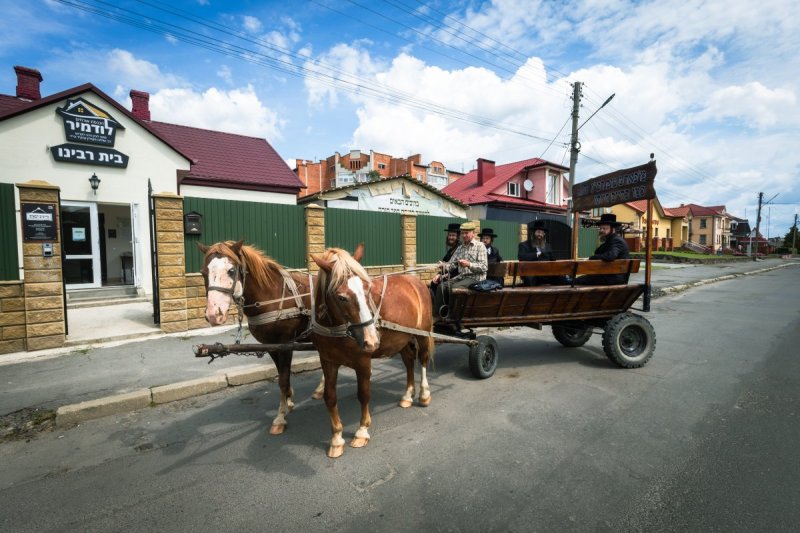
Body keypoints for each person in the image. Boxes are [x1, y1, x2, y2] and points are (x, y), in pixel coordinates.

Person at [432, 222, 488, 318]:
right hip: (462, 276)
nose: (464, 235)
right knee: (442, 286)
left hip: (476, 277)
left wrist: (469, 264)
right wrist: (443, 266)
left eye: (467, 233)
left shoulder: (480, 246)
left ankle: (451, 315)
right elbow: (451, 265)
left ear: (472, 233)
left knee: (453, 288)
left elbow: (484, 267)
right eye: (462, 233)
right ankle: (437, 315)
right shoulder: (460, 248)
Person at [574, 213, 631, 285]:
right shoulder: (610, 240)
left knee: (576, 281)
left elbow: (611, 255)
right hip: (608, 275)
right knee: (579, 280)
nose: (601, 230)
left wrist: (591, 258)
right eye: (600, 228)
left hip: (614, 278)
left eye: (604, 228)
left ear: (612, 229)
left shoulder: (617, 240)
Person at [517, 220, 556, 285]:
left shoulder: (548, 246)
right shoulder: (524, 245)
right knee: (529, 279)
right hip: (531, 274)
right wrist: (536, 254)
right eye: (538, 232)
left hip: (546, 274)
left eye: (542, 233)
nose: (540, 235)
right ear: (533, 233)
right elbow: (521, 257)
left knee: (561, 277)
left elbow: (553, 260)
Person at [430, 223, 461, 297]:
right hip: (448, 275)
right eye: (449, 235)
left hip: (456, 276)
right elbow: (444, 264)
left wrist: (444, 276)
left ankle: (442, 306)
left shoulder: (460, 249)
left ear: (458, 237)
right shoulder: (451, 250)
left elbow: (457, 269)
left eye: (453, 235)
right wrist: (438, 274)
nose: (451, 237)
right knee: (433, 282)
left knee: (438, 284)